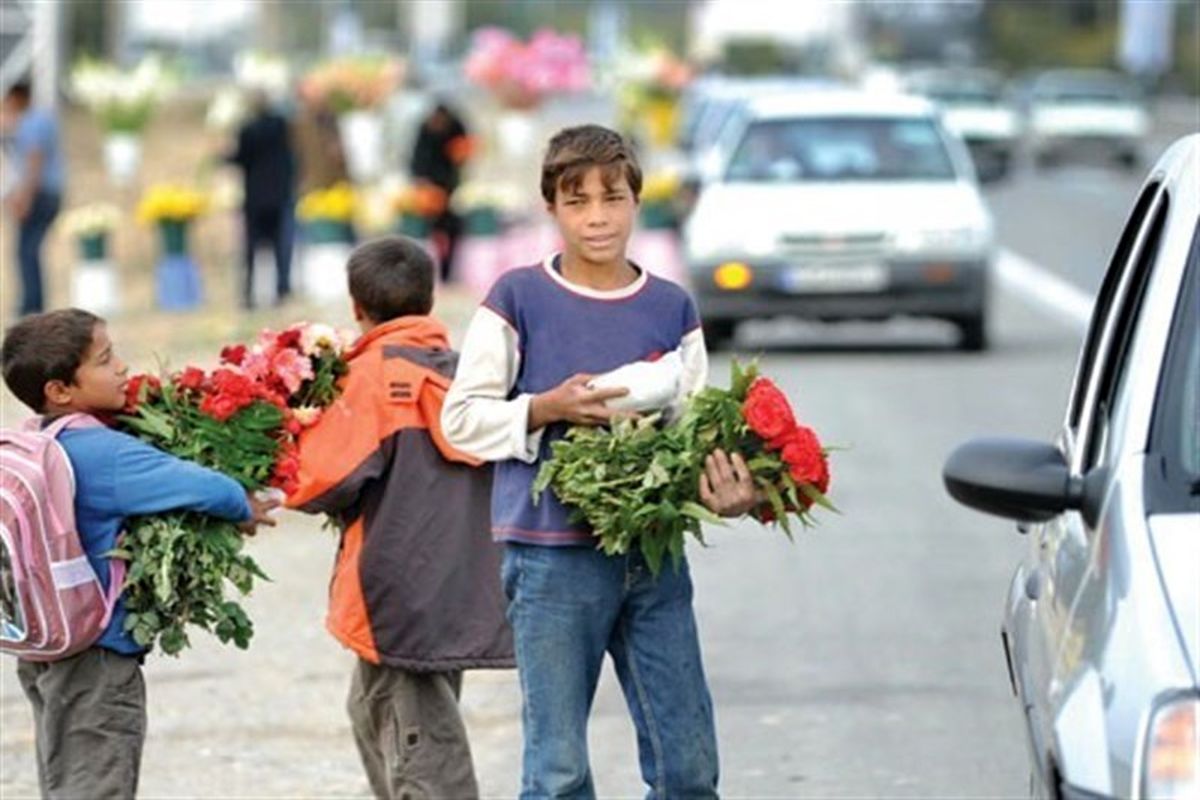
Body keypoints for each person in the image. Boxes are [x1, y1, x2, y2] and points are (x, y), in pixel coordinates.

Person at [441, 125, 758, 797]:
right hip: (550, 559)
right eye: (577, 201)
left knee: (690, 769)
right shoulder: (518, 298)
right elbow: (461, 421)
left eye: (612, 199)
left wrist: (731, 489)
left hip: (654, 558)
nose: (597, 218)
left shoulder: (671, 306)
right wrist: (545, 408)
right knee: (557, 773)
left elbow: (692, 430)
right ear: (550, 209)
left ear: (636, 202)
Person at [0, 308, 277, 799]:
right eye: (106, 360)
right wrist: (244, 504)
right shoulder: (103, 452)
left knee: (65, 775)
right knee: (97, 782)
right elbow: (204, 486)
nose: (123, 368)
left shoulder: (36, 437)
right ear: (60, 390)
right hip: (97, 653)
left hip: (44, 644)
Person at [286, 236, 513, 799]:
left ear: (357, 307)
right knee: (376, 711)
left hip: (396, 591)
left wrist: (290, 432)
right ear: (429, 300)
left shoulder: (370, 381)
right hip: (453, 586)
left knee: (420, 746)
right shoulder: (460, 374)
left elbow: (323, 481)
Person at [225, 90, 296, 308]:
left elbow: (240, 158)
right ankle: (281, 289)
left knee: (251, 249)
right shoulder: (282, 126)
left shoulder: (247, 129)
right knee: (280, 247)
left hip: (255, 198)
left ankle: (249, 294)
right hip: (279, 194)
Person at [2, 81, 64, 316]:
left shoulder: (30, 123)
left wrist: (24, 198)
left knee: (26, 251)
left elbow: (34, 162)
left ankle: (32, 306)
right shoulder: (43, 119)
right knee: (30, 250)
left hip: (39, 193)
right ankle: (33, 303)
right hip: (51, 192)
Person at [409, 101, 470, 281]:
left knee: (452, 234)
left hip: (452, 189)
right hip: (428, 191)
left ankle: (447, 273)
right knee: (428, 235)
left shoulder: (457, 128)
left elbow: (463, 155)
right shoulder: (424, 131)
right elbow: (417, 161)